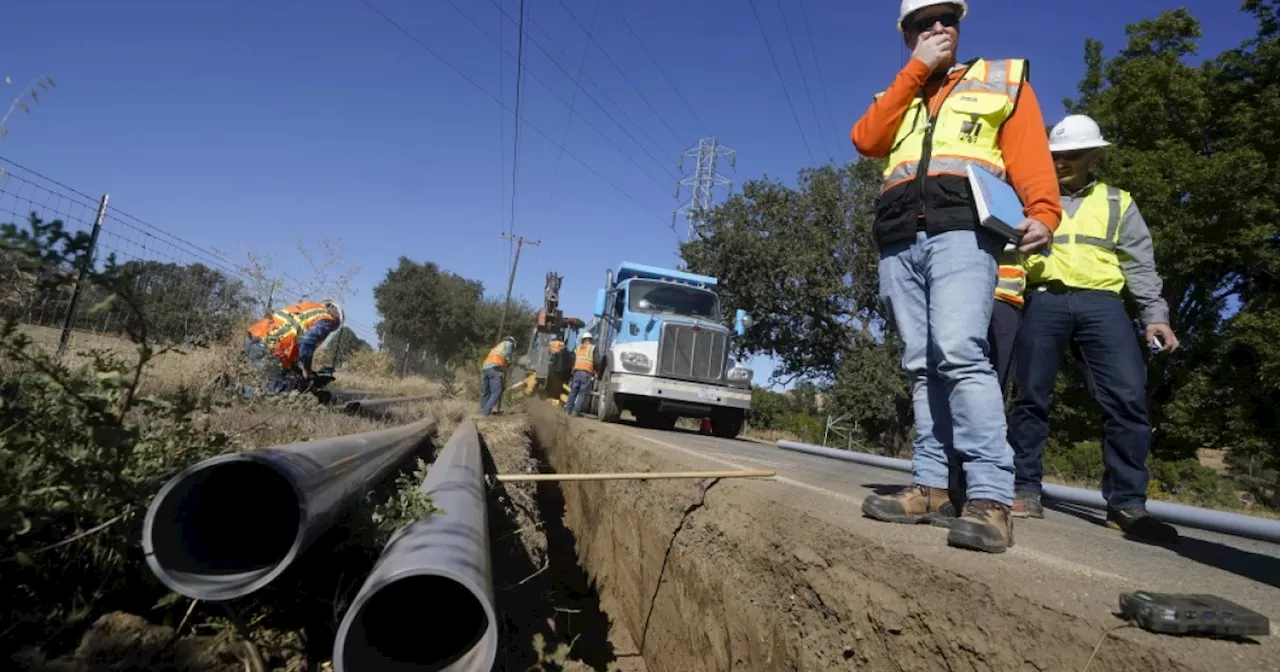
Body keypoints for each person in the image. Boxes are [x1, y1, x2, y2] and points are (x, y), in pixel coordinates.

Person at [851, 0, 1062, 553]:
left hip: (964, 232)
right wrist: (916, 70)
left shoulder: (1000, 82)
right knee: (922, 365)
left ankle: (991, 498)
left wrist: (1043, 209)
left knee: (960, 352)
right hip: (899, 237)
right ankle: (931, 487)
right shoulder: (898, 93)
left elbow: (1028, 153)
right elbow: (866, 141)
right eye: (925, 22)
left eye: (948, 20)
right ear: (908, 35)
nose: (939, 28)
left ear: (961, 28)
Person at [1009, 114, 1180, 543]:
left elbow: (1140, 264)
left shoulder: (1118, 202)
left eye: (1074, 155)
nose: (1062, 162)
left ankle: (1126, 504)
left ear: (1095, 157)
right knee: (1030, 396)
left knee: (1127, 397)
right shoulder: (1027, 198)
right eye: (1056, 155)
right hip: (1043, 300)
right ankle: (1024, 488)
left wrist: (1154, 316)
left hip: (1103, 304)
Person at [243, 299, 342, 395]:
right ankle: (236, 392)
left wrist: (298, 370)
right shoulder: (327, 320)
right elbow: (307, 342)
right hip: (267, 349)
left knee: (272, 379)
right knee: (274, 393)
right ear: (336, 319)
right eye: (333, 329)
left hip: (253, 337)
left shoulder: (308, 308)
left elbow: (291, 336)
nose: (330, 330)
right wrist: (306, 370)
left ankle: (240, 389)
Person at [480, 335, 515, 416]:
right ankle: (486, 412)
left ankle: (483, 410)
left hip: (485, 368)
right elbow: (508, 354)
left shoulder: (497, 346)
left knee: (486, 391)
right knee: (497, 391)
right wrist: (509, 361)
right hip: (494, 368)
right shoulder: (508, 343)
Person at [564, 333, 598, 416]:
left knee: (573, 391)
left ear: (583, 339)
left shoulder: (577, 348)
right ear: (590, 339)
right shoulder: (593, 348)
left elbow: (571, 359)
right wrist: (596, 371)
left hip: (576, 373)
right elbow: (597, 361)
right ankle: (576, 411)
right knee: (582, 393)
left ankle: (567, 410)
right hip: (586, 373)